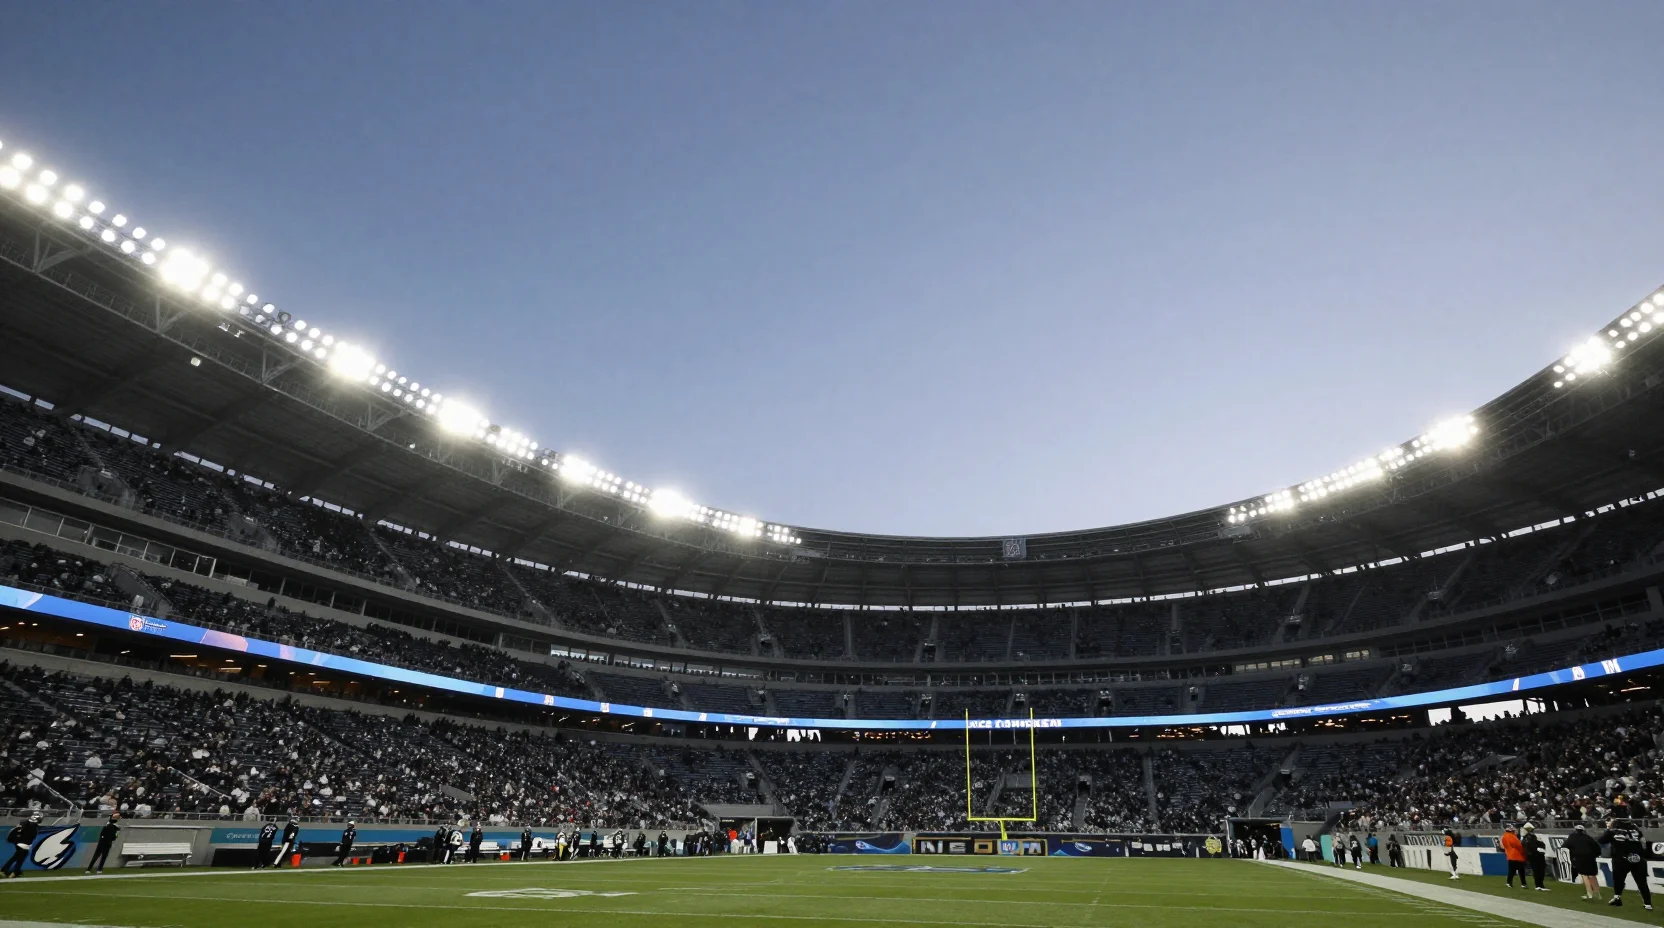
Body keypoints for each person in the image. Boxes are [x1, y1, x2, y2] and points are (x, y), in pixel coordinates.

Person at [1597, 818, 1653, 910]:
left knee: (1618, 880)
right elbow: (1643, 844)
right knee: (1642, 882)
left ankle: (1617, 898)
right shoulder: (1636, 831)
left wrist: (1607, 830)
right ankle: (1648, 904)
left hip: (1621, 859)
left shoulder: (1612, 831)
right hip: (1637, 858)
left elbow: (1601, 840)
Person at [1562, 823, 1603, 901]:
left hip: (1580, 858)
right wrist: (1594, 855)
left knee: (1584, 876)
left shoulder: (1572, 837)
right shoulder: (1588, 838)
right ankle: (1597, 894)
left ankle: (1589, 894)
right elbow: (1597, 848)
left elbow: (1564, 846)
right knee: (1592, 875)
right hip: (1591, 858)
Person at [2, 812, 41, 879]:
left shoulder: (24, 823)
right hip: (24, 844)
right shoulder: (33, 826)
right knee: (17, 859)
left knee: (17, 858)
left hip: (18, 843)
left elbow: (17, 831)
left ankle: (14, 872)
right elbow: (32, 836)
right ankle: (5, 870)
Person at [1521, 824, 1549, 891]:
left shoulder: (1525, 837)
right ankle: (1540, 885)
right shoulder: (1530, 836)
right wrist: (1539, 849)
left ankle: (1538, 885)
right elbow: (1534, 845)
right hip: (1536, 855)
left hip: (1531, 856)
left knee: (1536, 870)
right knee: (1540, 870)